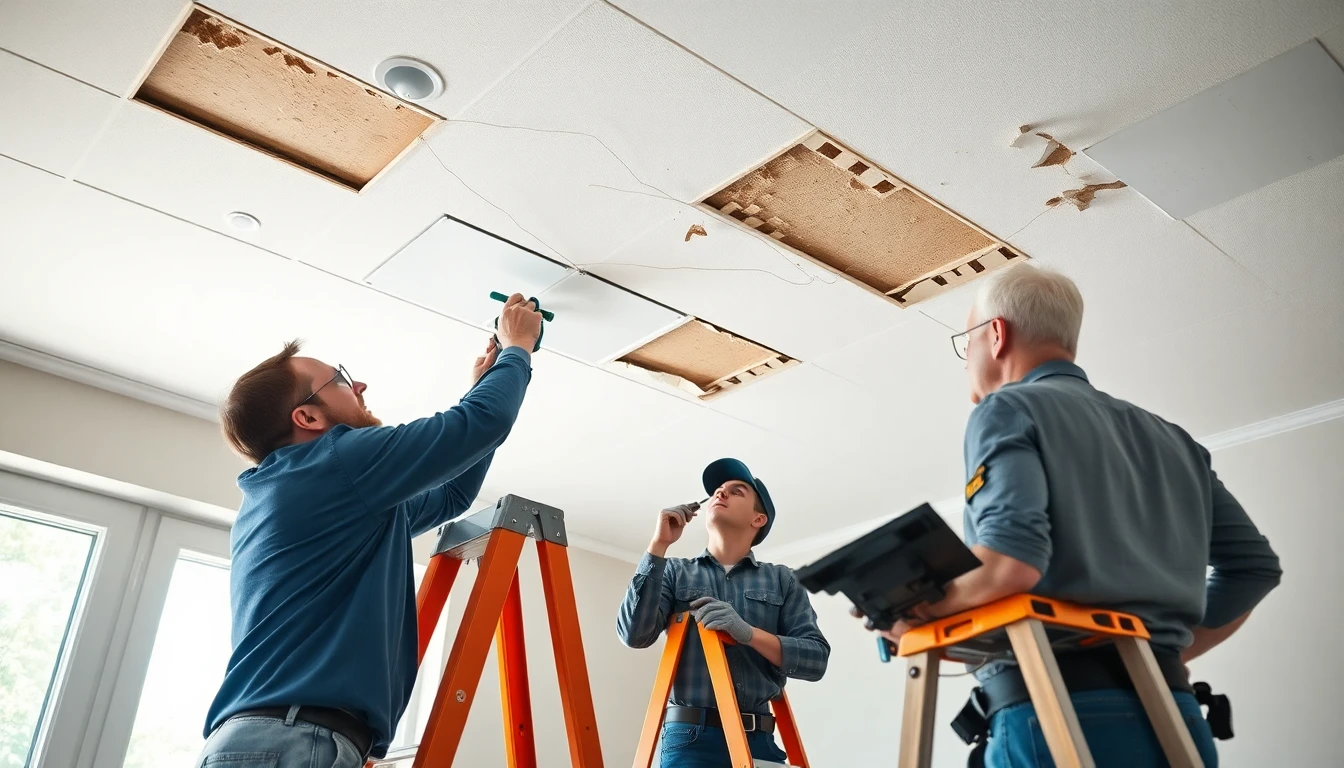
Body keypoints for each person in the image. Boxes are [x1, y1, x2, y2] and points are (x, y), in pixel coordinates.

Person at [864, 266, 1282, 767]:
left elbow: (1010, 563)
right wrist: (1157, 652)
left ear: (996, 335)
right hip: (1176, 716)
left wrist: (916, 612)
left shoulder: (1006, 410)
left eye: (966, 339)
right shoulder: (1175, 439)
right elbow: (1255, 569)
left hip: (1057, 718)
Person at [195, 294, 544, 767]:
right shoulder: (331, 464)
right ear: (309, 417)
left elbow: (450, 496)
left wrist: (489, 381)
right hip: (293, 738)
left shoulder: (314, 491)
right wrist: (517, 348)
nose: (358, 384)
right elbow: (482, 422)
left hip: (282, 738)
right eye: (339, 380)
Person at [617, 458, 830, 767]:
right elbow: (634, 635)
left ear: (758, 519)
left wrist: (748, 634)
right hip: (691, 741)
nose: (721, 493)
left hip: (759, 741)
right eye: (718, 490)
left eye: (736, 490)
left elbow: (816, 660)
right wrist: (658, 546)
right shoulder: (675, 572)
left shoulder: (783, 579)